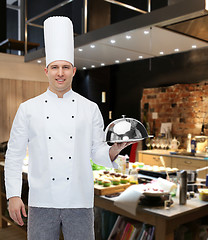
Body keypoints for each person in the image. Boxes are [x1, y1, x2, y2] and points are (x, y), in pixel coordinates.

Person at [4, 16, 132, 240]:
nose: (60, 73)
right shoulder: (28, 109)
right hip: (41, 202)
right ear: (46, 71)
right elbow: (14, 156)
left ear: (74, 70)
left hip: (79, 202)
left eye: (65, 67)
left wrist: (114, 149)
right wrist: (13, 195)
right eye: (55, 67)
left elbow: (96, 152)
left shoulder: (90, 109)